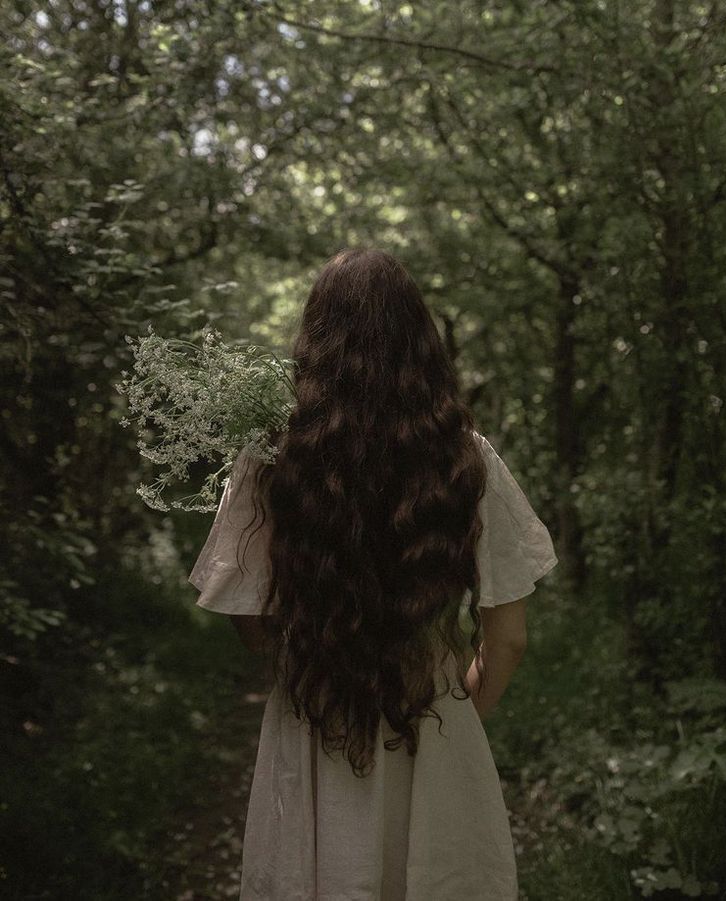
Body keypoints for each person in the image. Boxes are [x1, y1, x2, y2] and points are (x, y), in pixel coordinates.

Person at [188, 248, 558, 900]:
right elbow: (508, 638)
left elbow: (252, 628)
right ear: (420, 341)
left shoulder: (271, 456)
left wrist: (325, 635)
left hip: (314, 724)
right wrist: (458, 709)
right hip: (433, 729)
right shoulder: (464, 457)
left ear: (315, 337)